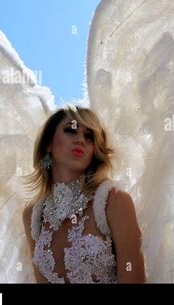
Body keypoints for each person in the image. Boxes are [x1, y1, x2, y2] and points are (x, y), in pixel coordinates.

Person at [22, 106, 146, 283]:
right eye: (70, 130)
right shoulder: (32, 216)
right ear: (48, 143)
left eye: (89, 136)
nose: (80, 139)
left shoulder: (114, 201)